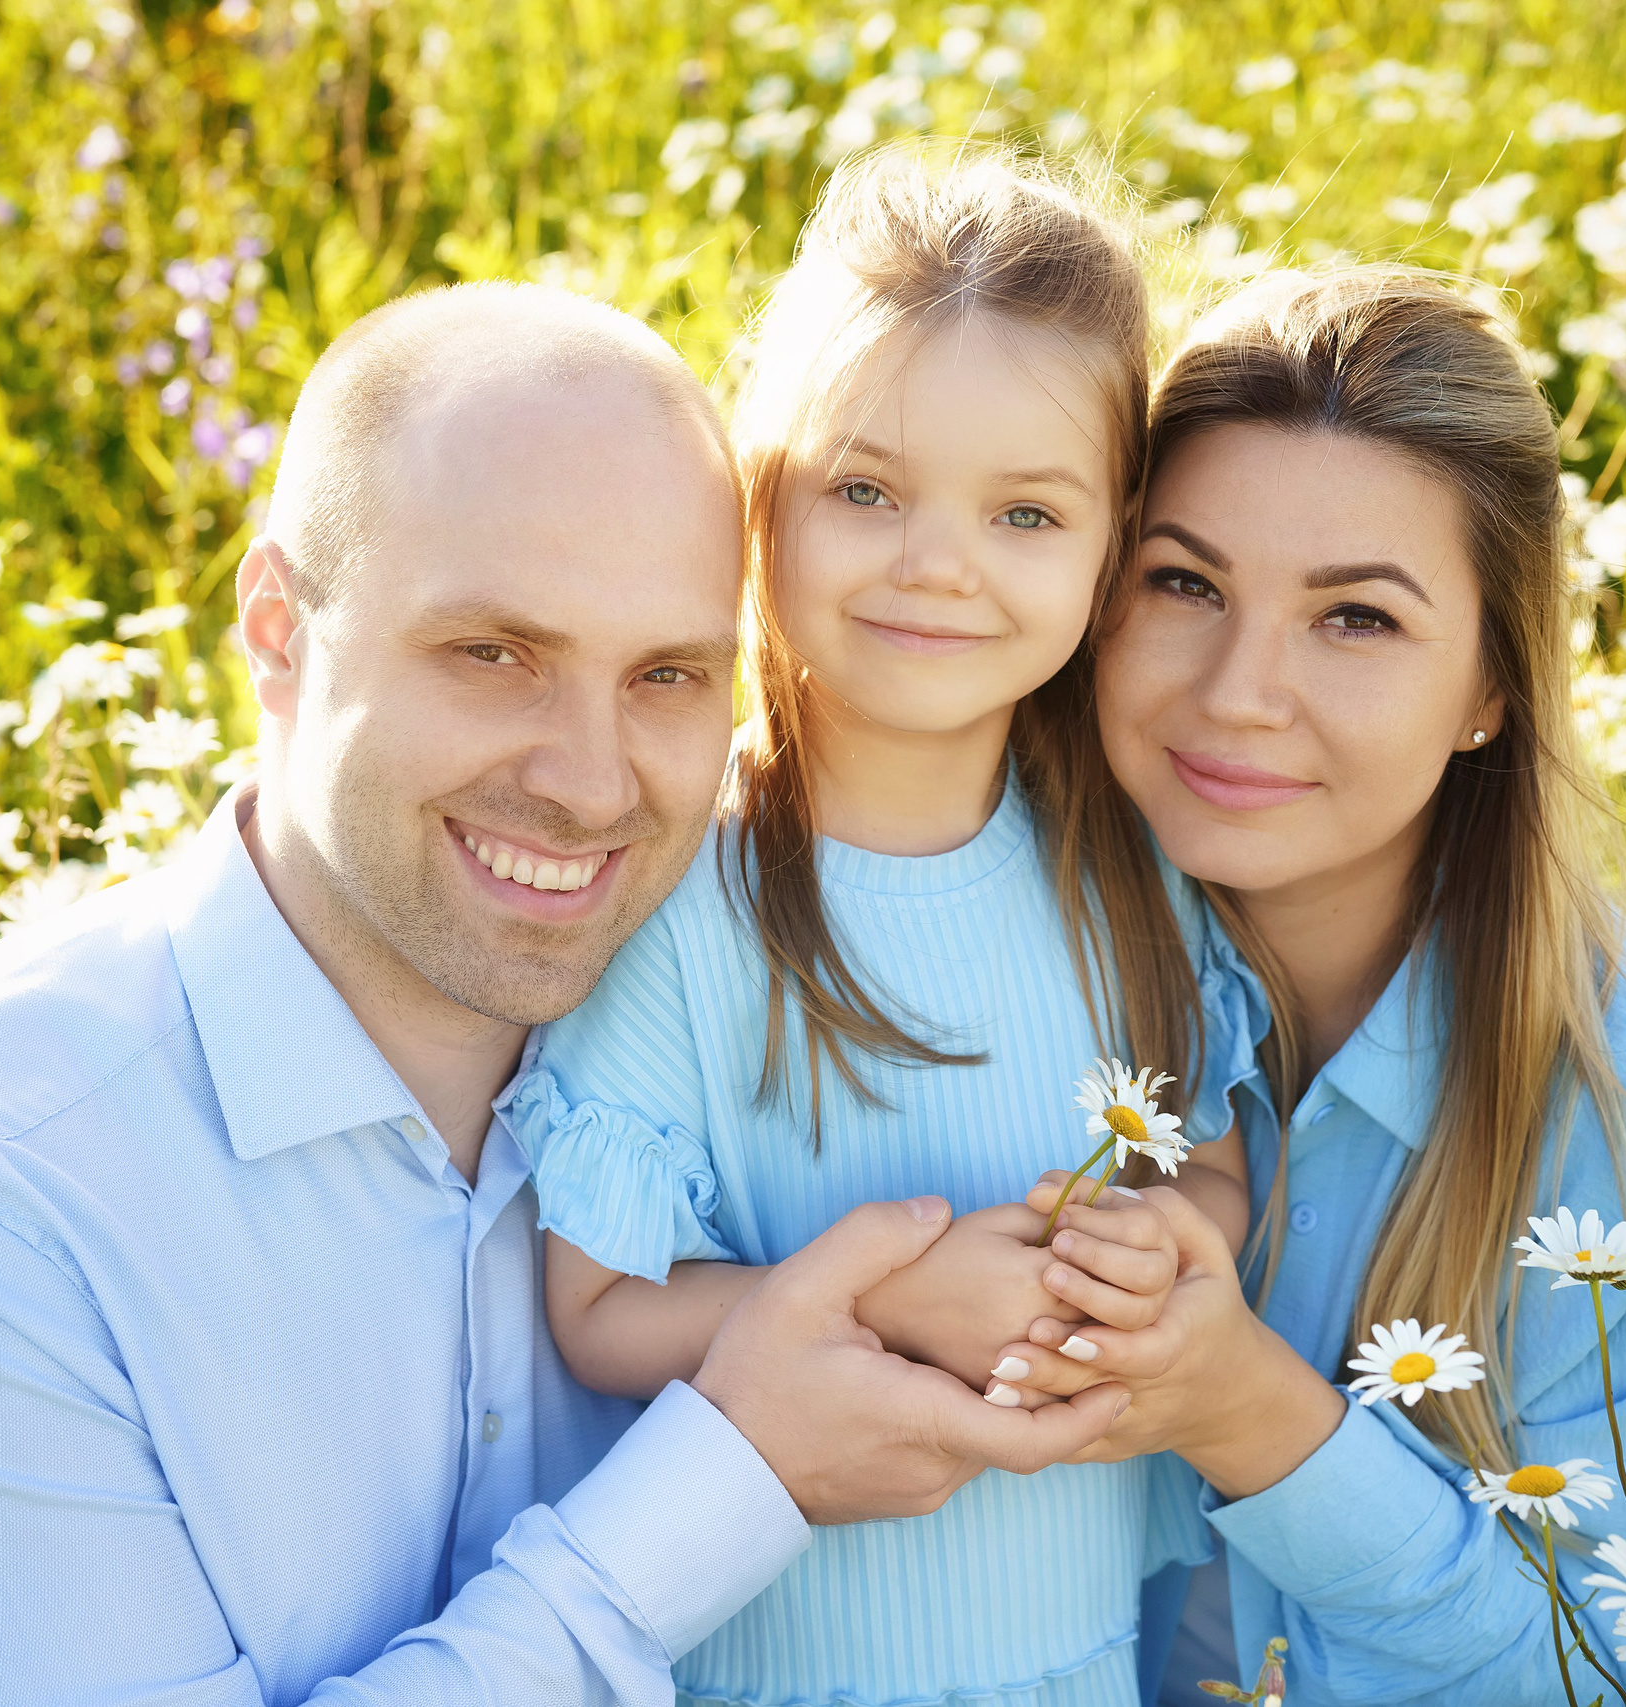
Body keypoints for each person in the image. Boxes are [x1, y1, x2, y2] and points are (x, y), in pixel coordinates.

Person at [0, 282, 1128, 1707]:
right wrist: (732, 1478)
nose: (590, 783)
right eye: (493, 655)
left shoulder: (743, 1057)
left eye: (668, 675)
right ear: (277, 631)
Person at [988, 267, 1626, 1705]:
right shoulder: (1007, 947)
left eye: (1357, 619)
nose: (1239, 690)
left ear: (1491, 686)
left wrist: (1253, 1415)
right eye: (1185, 583)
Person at [522, 147, 1253, 1707]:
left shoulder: (1132, 867)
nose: (938, 565)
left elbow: (1211, 1154)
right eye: (865, 491)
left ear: (1115, 547)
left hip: (1072, 1657)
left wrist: (1172, 1249)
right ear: (762, 495)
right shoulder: (682, 898)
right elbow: (598, 1308)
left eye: (1026, 513)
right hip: (787, 1663)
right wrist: (890, 1299)